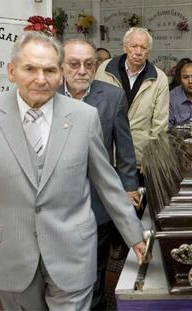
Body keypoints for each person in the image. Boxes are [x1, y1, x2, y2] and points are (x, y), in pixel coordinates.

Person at [0, 31, 145, 310]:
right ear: (12, 71)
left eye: (50, 70)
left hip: (73, 253)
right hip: (11, 255)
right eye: (30, 68)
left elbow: (107, 182)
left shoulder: (83, 117)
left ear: (59, 72)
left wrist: (134, 235)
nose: (41, 79)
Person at [59, 38, 139, 310]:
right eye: (74, 64)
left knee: (94, 267)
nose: (82, 70)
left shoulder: (113, 96)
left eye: (88, 64)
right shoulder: (48, 93)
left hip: (97, 199)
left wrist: (129, 187)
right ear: (61, 67)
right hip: (56, 202)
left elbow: (125, 149)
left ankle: (95, 304)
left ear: (96, 67)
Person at [96, 27, 169, 185]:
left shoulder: (159, 79)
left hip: (138, 158)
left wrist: (151, 157)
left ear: (148, 51)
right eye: (134, 46)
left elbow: (160, 125)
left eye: (143, 48)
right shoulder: (105, 70)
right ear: (124, 47)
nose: (138, 52)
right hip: (106, 154)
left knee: (134, 206)